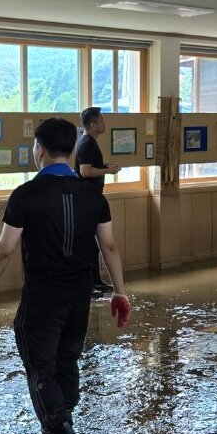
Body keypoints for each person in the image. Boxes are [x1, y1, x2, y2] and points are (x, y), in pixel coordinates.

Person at [0, 117, 132, 434]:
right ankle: (63, 426)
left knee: (39, 366)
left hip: (42, 299)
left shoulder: (26, 195)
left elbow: (5, 249)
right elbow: (108, 246)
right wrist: (120, 291)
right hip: (79, 298)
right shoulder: (93, 196)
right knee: (67, 360)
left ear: (40, 150)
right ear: (72, 150)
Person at [74, 107, 120, 294]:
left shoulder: (90, 143)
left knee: (93, 244)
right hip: (87, 198)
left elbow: (91, 167)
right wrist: (108, 171)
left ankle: (95, 281)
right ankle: (90, 283)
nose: (104, 123)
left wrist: (104, 166)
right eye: (101, 120)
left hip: (91, 197)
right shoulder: (87, 143)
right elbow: (85, 171)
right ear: (92, 124)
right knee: (90, 244)